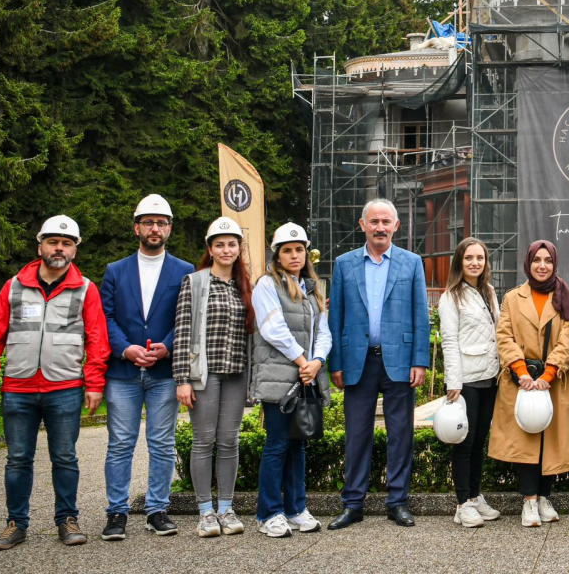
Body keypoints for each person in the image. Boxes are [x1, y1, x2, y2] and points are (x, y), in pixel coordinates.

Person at [0, 216, 109, 550]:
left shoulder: (86, 289)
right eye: (53, 242)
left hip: (64, 388)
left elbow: (97, 339)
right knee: (18, 459)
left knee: (65, 457)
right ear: (40, 246)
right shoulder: (14, 285)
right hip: (18, 388)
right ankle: (15, 524)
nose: (59, 248)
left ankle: (67, 520)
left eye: (66, 243)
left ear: (75, 250)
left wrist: (94, 384)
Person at [327, 198, 431, 530]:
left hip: (399, 361)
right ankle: (353, 503)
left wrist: (420, 360)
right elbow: (336, 317)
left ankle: (397, 501)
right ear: (363, 225)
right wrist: (336, 363)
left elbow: (420, 315)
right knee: (357, 434)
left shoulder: (412, 263)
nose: (380, 227)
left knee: (401, 434)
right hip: (358, 361)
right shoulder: (344, 264)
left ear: (396, 226)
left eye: (386, 222)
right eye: (374, 222)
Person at [99, 195, 194, 541]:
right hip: (122, 373)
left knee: (161, 442)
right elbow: (104, 316)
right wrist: (125, 349)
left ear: (169, 229)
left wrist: (167, 346)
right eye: (149, 222)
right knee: (120, 443)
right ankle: (116, 513)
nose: (155, 228)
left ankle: (157, 509)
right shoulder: (115, 270)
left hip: (163, 372)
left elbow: (187, 315)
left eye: (162, 223)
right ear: (136, 226)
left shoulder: (184, 271)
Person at [488, 241, 569, 526]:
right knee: (526, 440)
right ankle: (529, 502)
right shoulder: (512, 297)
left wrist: (547, 375)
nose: (542, 266)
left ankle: (544, 498)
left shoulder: (567, 297)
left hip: (555, 380)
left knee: (552, 440)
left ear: (554, 263)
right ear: (528, 263)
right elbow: (504, 335)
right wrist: (521, 371)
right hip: (520, 380)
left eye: (547, 260)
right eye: (537, 260)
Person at [173, 216, 255, 538]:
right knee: (203, 441)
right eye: (219, 244)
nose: (226, 249)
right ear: (210, 248)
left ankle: (226, 508)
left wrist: (253, 381)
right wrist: (182, 379)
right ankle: (205, 511)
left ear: (238, 248)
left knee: (229, 441)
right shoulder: (193, 282)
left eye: (231, 244)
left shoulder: (245, 285)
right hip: (203, 376)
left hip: (236, 374)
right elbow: (182, 333)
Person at [249, 223, 332, 537]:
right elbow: (273, 329)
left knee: (298, 445)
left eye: (299, 249)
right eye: (287, 250)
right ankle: (269, 513)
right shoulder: (267, 285)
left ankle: (296, 509)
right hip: (279, 378)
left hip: (306, 377)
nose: (294, 255)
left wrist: (317, 361)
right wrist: (303, 361)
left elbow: (323, 332)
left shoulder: (311, 289)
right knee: (277, 445)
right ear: (278, 255)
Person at [439, 237, 503, 528]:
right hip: (465, 381)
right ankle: (462, 503)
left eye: (480, 258)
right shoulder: (450, 296)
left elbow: (497, 332)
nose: (475, 263)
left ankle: (475, 497)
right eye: (469, 258)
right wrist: (453, 382)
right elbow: (449, 342)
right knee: (464, 443)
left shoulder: (488, 291)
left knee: (479, 442)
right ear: (459, 262)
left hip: (490, 377)